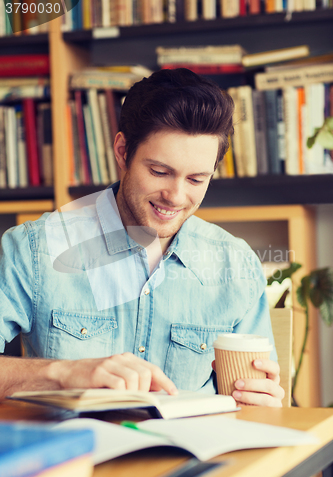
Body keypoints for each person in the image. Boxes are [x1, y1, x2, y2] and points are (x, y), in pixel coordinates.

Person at [0, 68, 284, 406]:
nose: (176, 197)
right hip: (76, 456)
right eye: (160, 172)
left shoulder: (236, 264)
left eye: (196, 179)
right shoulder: (33, 251)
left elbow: (256, 404)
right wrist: (63, 373)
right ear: (122, 152)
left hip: (193, 455)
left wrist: (264, 402)